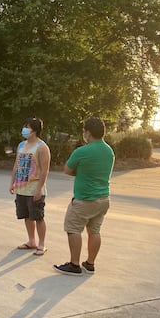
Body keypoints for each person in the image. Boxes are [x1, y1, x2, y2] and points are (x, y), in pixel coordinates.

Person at [54, 117, 115, 276]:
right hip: (103, 198)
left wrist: (80, 172)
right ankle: (90, 264)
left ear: (88, 132)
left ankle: (74, 265)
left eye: (83, 131)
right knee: (94, 230)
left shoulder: (82, 151)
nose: (83, 134)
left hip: (85, 199)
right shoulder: (109, 150)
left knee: (73, 228)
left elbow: (67, 170)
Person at [9, 118, 51, 256]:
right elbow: (17, 164)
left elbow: (45, 170)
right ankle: (31, 241)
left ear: (35, 130)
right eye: (24, 126)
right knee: (26, 216)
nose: (24, 129)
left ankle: (41, 244)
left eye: (27, 127)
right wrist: (12, 182)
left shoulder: (42, 147)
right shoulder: (21, 145)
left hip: (35, 188)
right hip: (22, 187)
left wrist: (39, 189)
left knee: (38, 216)